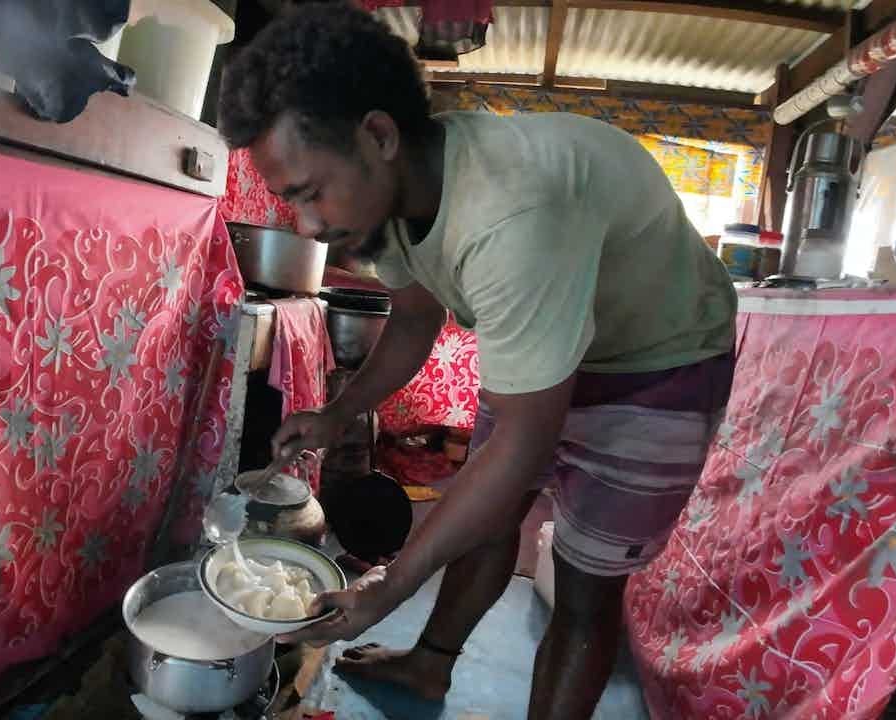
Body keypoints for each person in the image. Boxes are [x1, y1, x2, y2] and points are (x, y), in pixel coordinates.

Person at [217, 4, 737, 718]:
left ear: (378, 135)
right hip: (553, 341)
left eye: (310, 194)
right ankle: (429, 668)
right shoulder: (394, 197)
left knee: (584, 585)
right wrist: (338, 413)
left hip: (659, 363)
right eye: (289, 201)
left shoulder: (509, 215)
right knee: (483, 514)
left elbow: (519, 452)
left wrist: (389, 584)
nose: (308, 226)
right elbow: (413, 320)